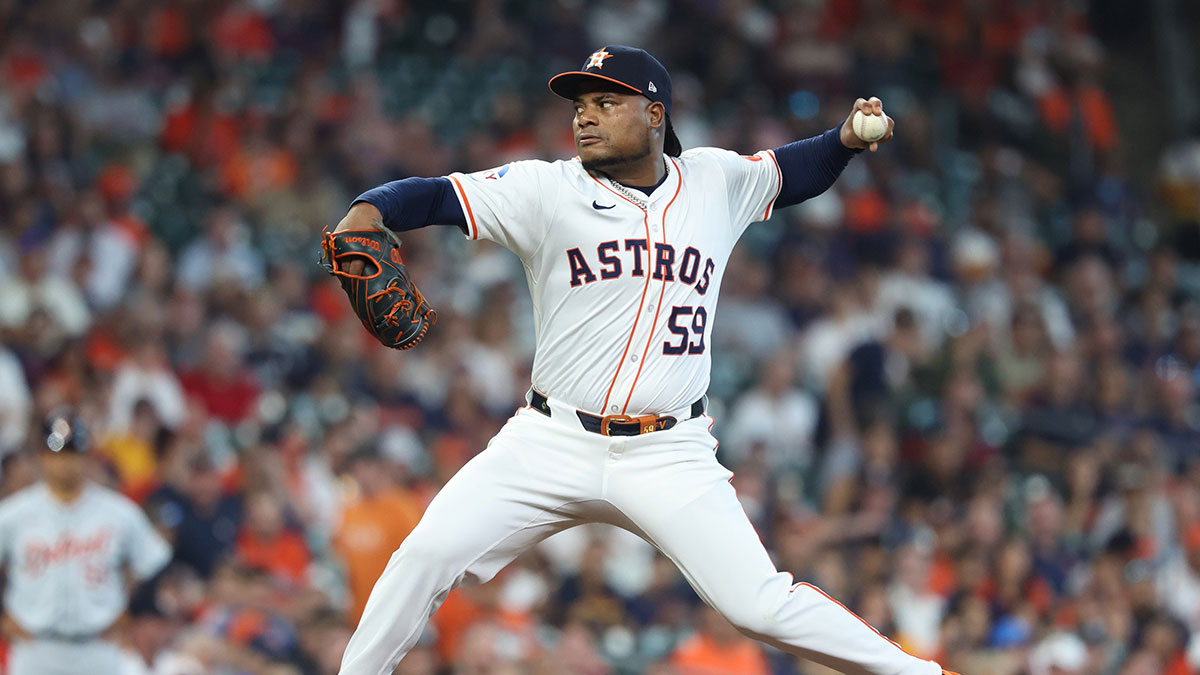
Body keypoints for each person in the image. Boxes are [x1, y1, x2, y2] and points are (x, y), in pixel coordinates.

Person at [334, 46, 955, 675]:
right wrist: (369, 208)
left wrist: (845, 140)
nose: (585, 118)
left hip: (668, 451)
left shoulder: (712, 182)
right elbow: (435, 195)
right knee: (426, 555)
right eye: (580, 106)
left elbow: (791, 173)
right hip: (550, 440)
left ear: (654, 113)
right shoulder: (547, 190)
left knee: (759, 608)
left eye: (606, 103)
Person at [0, 409, 172, 675]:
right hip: (35, 648)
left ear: (86, 456)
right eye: (58, 455)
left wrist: (132, 612)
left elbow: (154, 563)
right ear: (42, 457)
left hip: (98, 648)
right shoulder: (15, 514)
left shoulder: (118, 513)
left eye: (72, 454)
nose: (65, 463)